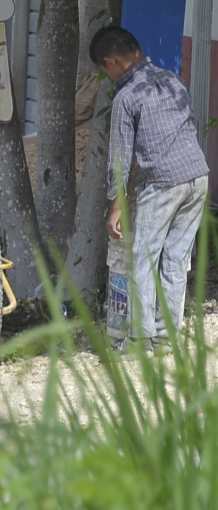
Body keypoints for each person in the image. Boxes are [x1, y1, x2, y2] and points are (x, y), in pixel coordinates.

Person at [90, 25, 209, 355]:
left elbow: (120, 158)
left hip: (164, 183)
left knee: (142, 259)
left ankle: (139, 341)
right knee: (175, 259)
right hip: (198, 177)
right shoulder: (172, 80)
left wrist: (116, 209)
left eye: (104, 70)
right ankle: (167, 337)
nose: (108, 76)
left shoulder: (126, 98)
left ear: (111, 61)